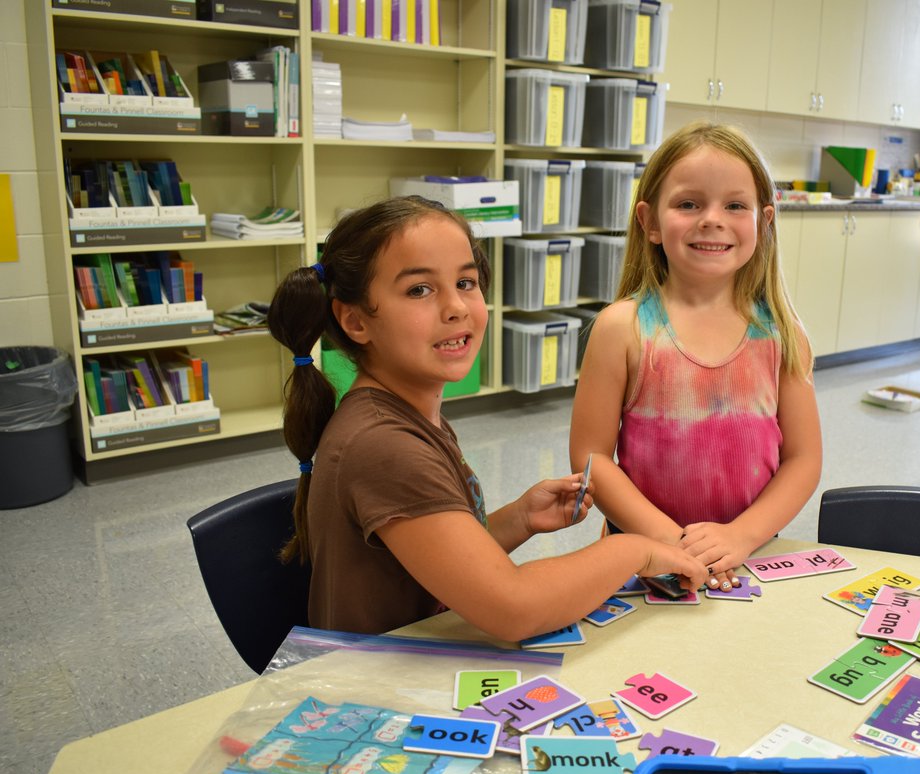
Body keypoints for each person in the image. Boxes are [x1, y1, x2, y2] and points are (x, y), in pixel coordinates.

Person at [267, 195, 707, 640]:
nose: (456, 306)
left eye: (466, 282)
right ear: (356, 321)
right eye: (419, 289)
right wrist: (633, 550)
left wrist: (519, 518)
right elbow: (513, 608)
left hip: (418, 656)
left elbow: (439, 561)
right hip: (382, 688)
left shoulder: (410, 414)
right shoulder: (384, 444)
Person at [569, 122, 823, 594]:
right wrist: (670, 541)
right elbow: (591, 458)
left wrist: (741, 535)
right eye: (688, 204)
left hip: (747, 557)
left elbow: (803, 460)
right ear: (649, 222)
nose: (712, 218)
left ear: (764, 222)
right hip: (642, 557)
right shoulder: (622, 329)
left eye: (734, 205)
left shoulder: (783, 336)